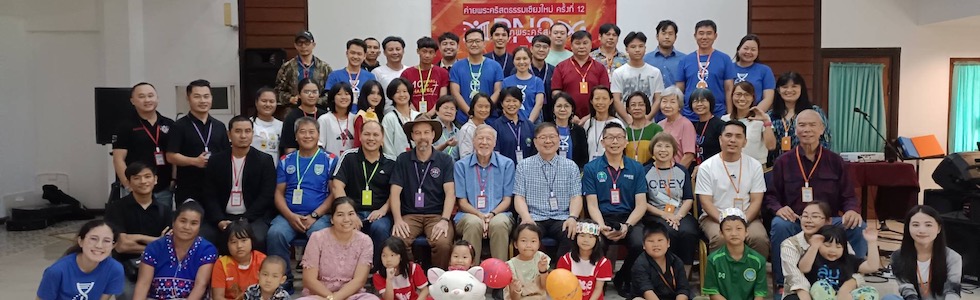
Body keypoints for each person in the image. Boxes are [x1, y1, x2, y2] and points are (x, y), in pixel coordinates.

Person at [767, 109, 866, 290]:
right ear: (795, 131)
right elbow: (772, 196)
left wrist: (852, 210)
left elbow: (849, 195)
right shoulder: (783, 161)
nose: (807, 130)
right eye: (802, 125)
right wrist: (779, 209)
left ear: (822, 129)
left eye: (812, 125)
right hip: (797, 220)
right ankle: (783, 283)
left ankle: (852, 279)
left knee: (857, 225)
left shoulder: (835, 161)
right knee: (779, 225)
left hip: (829, 222)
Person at [267, 117, 339, 291]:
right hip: (289, 215)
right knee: (275, 233)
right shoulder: (286, 160)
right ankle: (283, 282)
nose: (307, 136)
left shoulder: (329, 159)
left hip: (319, 216)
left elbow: (334, 192)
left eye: (311, 132)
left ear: (318, 135)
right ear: (296, 136)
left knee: (319, 235)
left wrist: (314, 215)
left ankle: (321, 283)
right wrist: (290, 216)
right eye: (303, 132)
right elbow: (278, 193)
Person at [582, 122, 649, 295]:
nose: (615, 141)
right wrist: (601, 226)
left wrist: (627, 226)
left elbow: (641, 204)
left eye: (619, 137)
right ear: (602, 142)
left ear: (626, 142)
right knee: (596, 242)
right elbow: (591, 204)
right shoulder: (591, 168)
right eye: (610, 137)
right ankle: (599, 280)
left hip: (629, 217)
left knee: (640, 243)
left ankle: (623, 277)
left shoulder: (636, 167)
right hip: (602, 217)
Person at [389, 115, 456, 269]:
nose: (422, 137)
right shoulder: (403, 159)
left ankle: (438, 280)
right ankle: (413, 277)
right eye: (418, 133)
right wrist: (398, 220)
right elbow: (394, 193)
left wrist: (444, 220)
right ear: (412, 136)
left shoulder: (445, 160)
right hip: (410, 215)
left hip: (437, 215)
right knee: (397, 240)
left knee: (443, 243)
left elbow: (450, 193)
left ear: (433, 135)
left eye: (426, 132)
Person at [202, 116, 277, 251]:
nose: (243, 136)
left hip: (252, 217)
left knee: (257, 239)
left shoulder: (264, 160)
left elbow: (266, 195)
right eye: (238, 131)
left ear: (252, 134)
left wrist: (245, 220)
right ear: (229, 134)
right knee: (204, 238)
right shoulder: (216, 161)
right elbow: (209, 194)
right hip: (223, 216)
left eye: (248, 131)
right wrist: (219, 220)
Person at [696, 121, 769, 256]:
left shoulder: (755, 165)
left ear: (745, 142)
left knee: (759, 238)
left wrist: (743, 222)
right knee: (721, 238)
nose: (732, 140)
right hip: (714, 218)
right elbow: (706, 202)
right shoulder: (707, 167)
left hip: (747, 216)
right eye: (728, 135)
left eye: (738, 136)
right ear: (720, 139)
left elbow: (756, 201)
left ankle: (754, 276)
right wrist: (725, 223)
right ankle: (720, 276)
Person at [330, 120, 395, 269]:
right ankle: (344, 271)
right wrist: (349, 214)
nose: (371, 138)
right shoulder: (349, 157)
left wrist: (383, 210)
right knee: (344, 224)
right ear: (360, 135)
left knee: (379, 229)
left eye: (375, 135)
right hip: (353, 210)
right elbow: (337, 185)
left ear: (382, 138)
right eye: (367, 134)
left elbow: (395, 192)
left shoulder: (391, 162)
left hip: (380, 213)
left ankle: (379, 271)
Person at [514, 122, 584, 256]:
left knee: (571, 232)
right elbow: (519, 197)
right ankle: (536, 272)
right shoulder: (524, 166)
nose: (548, 141)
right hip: (534, 216)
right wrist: (526, 217)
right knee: (528, 234)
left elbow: (576, 196)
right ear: (535, 142)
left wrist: (572, 217)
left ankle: (561, 272)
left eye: (552, 137)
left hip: (562, 217)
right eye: (543, 137)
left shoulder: (571, 166)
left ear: (559, 140)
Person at [104, 162, 172, 291]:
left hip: (157, 268)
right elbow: (121, 246)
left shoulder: (165, 210)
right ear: (128, 182)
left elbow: (167, 245)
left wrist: (134, 239)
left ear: (155, 179)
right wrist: (156, 241)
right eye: (136, 178)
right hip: (125, 267)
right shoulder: (116, 208)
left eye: (147, 176)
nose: (143, 181)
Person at [296, 197, 379, 300]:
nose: (346, 219)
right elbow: (309, 279)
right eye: (340, 215)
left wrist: (337, 297)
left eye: (351, 214)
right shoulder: (317, 238)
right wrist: (331, 297)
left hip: (351, 295)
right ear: (331, 219)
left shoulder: (365, 241)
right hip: (320, 295)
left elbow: (359, 280)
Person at [454, 124, 516, 261]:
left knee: (499, 224)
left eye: (489, 139)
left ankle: (500, 275)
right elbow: (462, 202)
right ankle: (471, 274)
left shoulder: (507, 164)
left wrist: (491, 215)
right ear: (473, 141)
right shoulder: (461, 165)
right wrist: (480, 216)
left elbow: (507, 200)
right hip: (469, 214)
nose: (484, 142)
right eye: (480, 138)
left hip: (499, 213)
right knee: (473, 223)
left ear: (494, 143)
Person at [133, 201, 218, 299]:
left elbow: (200, 286)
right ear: (173, 222)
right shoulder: (154, 247)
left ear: (200, 227)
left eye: (193, 223)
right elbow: (143, 284)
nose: (187, 227)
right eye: (183, 221)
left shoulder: (207, 250)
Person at [781, 202, 865, 300]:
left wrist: (845, 289)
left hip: (837, 293)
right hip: (803, 294)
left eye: (815, 216)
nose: (808, 220)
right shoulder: (790, 244)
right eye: (805, 216)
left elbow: (855, 270)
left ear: (828, 221)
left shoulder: (838, 241)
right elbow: (795, 278)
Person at [113, 82, 176, 210]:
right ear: (132, 101)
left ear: (157, 98)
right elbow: (118, 159)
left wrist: (174, 179)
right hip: (136, 188)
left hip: (163, 188)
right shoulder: (125, 126)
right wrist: (127, 185)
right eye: (141, 96)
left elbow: (174, 154)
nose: (147, 100)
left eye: (150, 95)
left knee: (162, 225)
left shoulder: (169, 124)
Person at [167, 79, 230, 205]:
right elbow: (170, 156)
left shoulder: (220, 126)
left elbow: (226, 155)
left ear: (211, 98)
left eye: (206, 96)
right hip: (189, 187)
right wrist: (195, 161)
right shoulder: (179, 126)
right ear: (188, 98)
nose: (202, 101)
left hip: (216, 188)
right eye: (197, 96)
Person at [645, 132, 699, 273]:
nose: (663, 150)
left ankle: (684, 277)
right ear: (652, 149)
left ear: (674, 150)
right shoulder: (645, 171)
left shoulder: (681, 171)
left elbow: (688, 198)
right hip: (656, 214)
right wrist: (664, 214)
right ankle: (666, 274)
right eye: (659, 146)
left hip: (680, 213)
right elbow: (643, 203)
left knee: (689, 232)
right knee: (669, 232)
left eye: (667, 146)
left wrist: (678, 216)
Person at [885, 206, 963, 300]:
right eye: (915, 225)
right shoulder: (897, 257)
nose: (922, 230)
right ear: (908, 228)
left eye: (928, 225)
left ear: (938, 229)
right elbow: (906, 289)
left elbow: (952, 291)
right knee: (889, 298)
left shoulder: (953, 257)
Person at [37, 220, 124, 300]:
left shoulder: (115, 269)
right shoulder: (56, 271)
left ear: (113, 245)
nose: (99, 246)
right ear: (80, 241)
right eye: (93, 239)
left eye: (107, 241)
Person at [797, 225, 880, 300]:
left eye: (838, 247)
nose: (833, 250)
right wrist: (814, 247)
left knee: (871, 291)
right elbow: (804, 268)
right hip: (820, 296)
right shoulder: (814, 257)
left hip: (843, 297)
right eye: (827, 245)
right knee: (820, 286)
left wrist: (872, 242)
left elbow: (872, 267)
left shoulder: (849, 259)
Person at [702, 208, 768, 300]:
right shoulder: (713, 259)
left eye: (739, 229)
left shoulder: (758, 260)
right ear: (721, 233)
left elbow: (759, 294)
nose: (734, 233)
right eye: (728, 229)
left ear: (746, 232)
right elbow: (713, 292)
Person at [677, 20, 735, 121]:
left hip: (717, 114)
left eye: (709, 33)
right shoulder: (685, 60)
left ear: (715, 36)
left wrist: (730, 115)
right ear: (695, 36)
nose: (704, 37)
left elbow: (729, 89)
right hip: (689, 115)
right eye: (701, 33)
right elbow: (679, 91)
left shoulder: (724, 59)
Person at [768, 72, 831, 157]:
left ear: (801, 89)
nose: (789, 90)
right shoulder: (770, 115)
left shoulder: (814, 111)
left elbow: (825, 140)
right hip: (776, 165)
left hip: (808, 163)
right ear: (778, 90)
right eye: (785, 87)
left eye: (794, 86)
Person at [450, 28, 504, 124]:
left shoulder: (495, 66)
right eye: (470, 41)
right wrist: (471, 113)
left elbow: (498, 91)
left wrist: (484, 110)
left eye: (477, 41)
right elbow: (455, 93)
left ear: (484, 43)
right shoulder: (457, 66)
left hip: (489, 120)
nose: (474, 44)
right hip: (463, 120)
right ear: (465, 44)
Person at [552, 30, 611, 119]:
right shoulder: (561, 67)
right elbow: (556, 92)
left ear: (591, 45)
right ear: (571, 46)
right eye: (578, 43)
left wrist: (591, 115)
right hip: (566, 117)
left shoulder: (600, 68)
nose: (581, 46)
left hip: (595, 117)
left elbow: (605, 94)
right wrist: (569, 114)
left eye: (585, 43)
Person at [611, 31, 665, 123]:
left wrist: (647, 119)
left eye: (641, 46)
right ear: (626, 49)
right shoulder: (618, 73)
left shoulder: (655, 72)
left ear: (645, 48)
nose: (637, 50)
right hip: (625, 123)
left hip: (648, 123)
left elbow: (658, 99)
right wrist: (628, 119)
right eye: (633, 47)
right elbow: (616, 100)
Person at [631, 224, 692, 300]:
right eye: (650, 241)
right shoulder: (640, 264)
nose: (656, 245)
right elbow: (647, 291)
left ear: (668, 243)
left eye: (660, 240)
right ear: (643, 245)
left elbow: (683, 289)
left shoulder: (676, 261)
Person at [720, 82, 776, 165]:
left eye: (747, 95)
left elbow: (771, 146)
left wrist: (766, 121)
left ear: (753, 98)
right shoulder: (724, 119)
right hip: (731, 166)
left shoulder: (762, 118)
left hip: (757, 167)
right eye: (738, 94)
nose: (742, 98)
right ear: (732, 96)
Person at [556, 220, 613, 300]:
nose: (586, 240)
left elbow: (598, 289)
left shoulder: (603, 263)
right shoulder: (565, 260)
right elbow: (563, 287)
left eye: (591, 237)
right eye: (582, 235)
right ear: (576, 237)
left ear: (597, 240)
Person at [211, 220, 267, 300]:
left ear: (252, 240)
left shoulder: (262, 260)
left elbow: (269, 292)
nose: (239, 246)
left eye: (244, 240)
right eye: (233, 242)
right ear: (227, 244)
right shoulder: (221, 264)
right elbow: (218, 297)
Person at [274, 30, 331, 106]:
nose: (303, 46)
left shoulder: (324, 68)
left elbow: (331, 91)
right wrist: (290, 99)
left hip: (318, 110)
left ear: (313, 45)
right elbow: (278, 91)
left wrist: (317, 100)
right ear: (295, 45)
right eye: (300, 43)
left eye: (307, 43)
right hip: (294, 109)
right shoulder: (287, 67)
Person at [401, 36, 449, 117]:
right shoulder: (407, 73)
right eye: (424, 51)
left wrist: (430, 114)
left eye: (431, 52)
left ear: (435, 54)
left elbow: (442, 97)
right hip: (412, 115)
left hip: (435, 115)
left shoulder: (442, 72)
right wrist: (416, 114)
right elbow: (405, 97)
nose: (427, 55)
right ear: (418, 51)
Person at [280, 78, 327, 154]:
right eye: (306, 92)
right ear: (299, 95)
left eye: (314, 92)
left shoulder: (325, 115)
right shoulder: (292, 117)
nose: (311, 95)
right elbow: (289, 148)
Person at [491, 86, 538, 163]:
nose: (511, 104)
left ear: (520, 103)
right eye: (507, 101)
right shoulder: (495, 126)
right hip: (505, 171)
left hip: (527, 171)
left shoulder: (530, 126)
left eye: (515, 101)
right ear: (502, 104)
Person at [505, 224, 552, 300]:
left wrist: (543, 271)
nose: (528, 245)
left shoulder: (541, 258)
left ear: (539, 244)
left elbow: (546, 287)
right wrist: (516, 290)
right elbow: (514, 298)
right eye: (523, 241)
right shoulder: (510, 265)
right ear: (516, 244)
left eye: (533, 241)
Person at [503, 46, 546, 123]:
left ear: (530, 60)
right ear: (513, 61)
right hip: (511, 123)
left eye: (525, 58)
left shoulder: (537, 81)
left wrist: (529, 123)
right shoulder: (506, 82)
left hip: (532, 124)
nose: (521, 62)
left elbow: (538, 104)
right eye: (518, 59)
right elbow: (504, 104)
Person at [733, 34, 775, 111]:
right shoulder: (728, 68)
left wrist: (754, 114)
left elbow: (768, 98)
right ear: (738, 49)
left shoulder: (764, 70)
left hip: (754, 116)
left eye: (753, 49)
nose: (749, 52)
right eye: (746, 48)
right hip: (731, 115)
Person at [656, 87, 696, 168]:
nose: (667, 105)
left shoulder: (686, 124)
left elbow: (689, 155)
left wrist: (677, 173)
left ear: (679, 106)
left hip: (678, 174)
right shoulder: (659, 125)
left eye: (672, 102)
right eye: (664, 101)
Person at [381, 78, 421, 158]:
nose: (402, 95)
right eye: (397, 92)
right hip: (397, 164)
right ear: (392, 96)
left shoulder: (419, 116)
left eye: (405, 91)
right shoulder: (389, 118)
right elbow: (387, 147)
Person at [644, 20, 686, 94]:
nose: (667, 37)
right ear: (657, 36)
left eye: (670, 34)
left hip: (675, 103)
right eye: (663, 33)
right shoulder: (646, 59)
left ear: (675, 37)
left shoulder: (684, 59)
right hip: (652, 103)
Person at [583, 86, 625, 161]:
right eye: (597, 98)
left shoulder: (617, 123)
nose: (600, 102)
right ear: (591, 101)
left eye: (604, 99)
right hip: (591, 168)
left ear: (611, 101)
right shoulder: (588, 123)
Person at [624, 92, 664, 165]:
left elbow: (660, 152)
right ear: (628, 109)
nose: (637, 108)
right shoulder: (624, 131)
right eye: (633, 105)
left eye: (641, 105)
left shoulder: (656, 129)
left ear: (646, 107)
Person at [317, 82, 356, 155]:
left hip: (351, 164)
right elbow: (320, 146)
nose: (343, 97)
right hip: (331, 163)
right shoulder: (324, 120)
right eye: (339, 94)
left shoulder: (355, 119)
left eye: (347, 94)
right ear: (332, 98)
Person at [552, 93, 590, 168]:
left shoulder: (579, 131)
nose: (562, 109)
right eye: (559, 106)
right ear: (553, 109)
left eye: (566, 106)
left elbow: (583, 157)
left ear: (572, 109)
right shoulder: (546, 129)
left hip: (573, 173)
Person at [690, 89, 725, 165]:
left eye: (703, 101)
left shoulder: (720, 125)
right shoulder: (693, 126)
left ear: (710, 103)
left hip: (714, 167)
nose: (699, 104)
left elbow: (725, 151)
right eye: (695, 101)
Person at [251, 87, 283, 165]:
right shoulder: (249, 124)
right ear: (256, 102)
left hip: (274, 171)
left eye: (271, 101)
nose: (268, 104)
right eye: (264, 101)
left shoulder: (281, 125)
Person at [457, 93, 493, 158]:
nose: (483, 110)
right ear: (473, 107)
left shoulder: (490, 129)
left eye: (487, 107)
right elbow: (465, 157)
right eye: (480, 106)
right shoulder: (466, 130)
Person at [530, 35, 556, 122]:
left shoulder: (554, 70)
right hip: (529, 114)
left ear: (549, 50)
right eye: (538, 46)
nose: (541, 50)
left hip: (550, 115)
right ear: (531, 49)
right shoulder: (522, 70)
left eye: (545, 47)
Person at [352, 80, 385, 147]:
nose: (375, 97)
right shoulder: (361, 116)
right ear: (365, 95)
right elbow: (358, 143)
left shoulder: (382, 116)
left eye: (379, 94)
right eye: (372, 93)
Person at [433, 96, 460, 160]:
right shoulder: (431, 127)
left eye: (452, 109)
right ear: (437, 111)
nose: (449, 111)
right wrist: (445, 145)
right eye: (446, 108)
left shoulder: (458, 131)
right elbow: (426, 151)